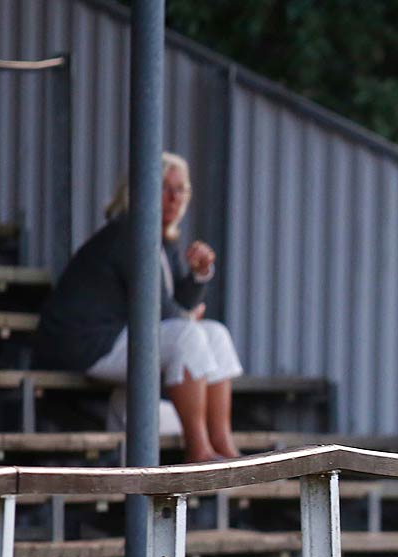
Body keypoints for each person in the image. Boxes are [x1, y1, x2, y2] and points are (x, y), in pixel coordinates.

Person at [33, 152, 244, 462]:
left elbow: (176, 308)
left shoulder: (162, 240)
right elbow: (159, 310)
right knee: (188, 335)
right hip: (83, 344)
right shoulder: (130, 232)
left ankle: (223, 444)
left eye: (180, 189)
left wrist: (198, 277)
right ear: (139, 190)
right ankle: (199, 450)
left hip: (118, 338)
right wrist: (185, 317)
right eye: (164, 187)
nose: (173, 198)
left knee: (215, 333)